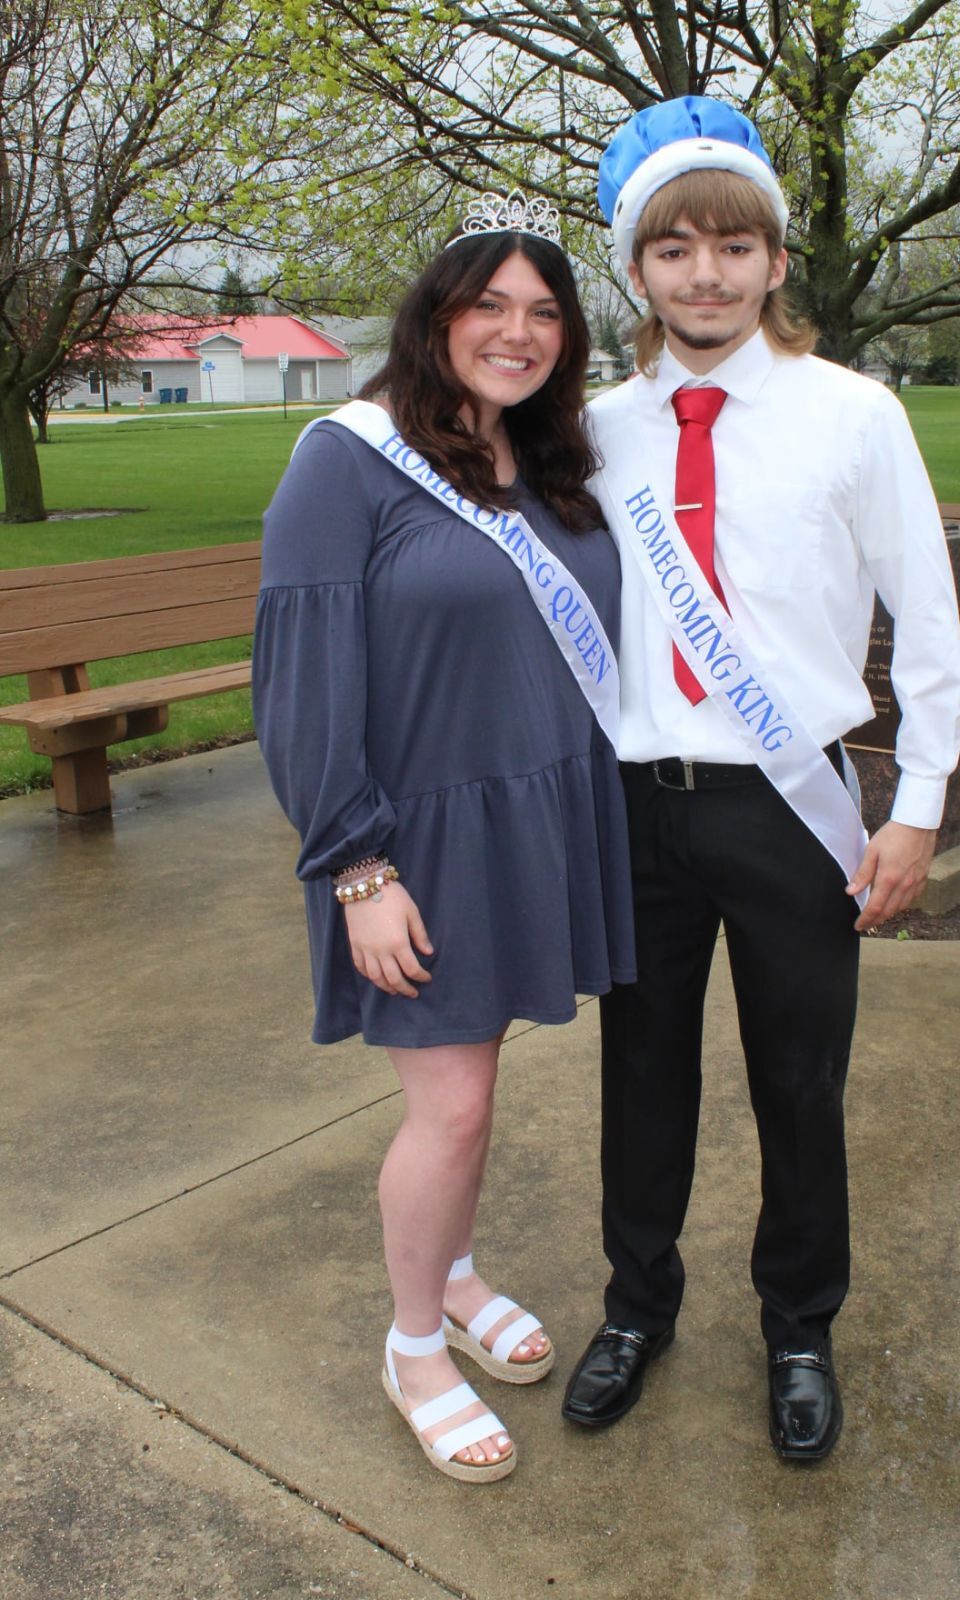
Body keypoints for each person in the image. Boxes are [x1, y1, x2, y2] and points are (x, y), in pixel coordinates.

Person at [560, 98, 960, 1461]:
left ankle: (799, 1326)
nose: (706, 275)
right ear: (635, 270)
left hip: (790, 809)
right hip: (638, 805)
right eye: (673, 249)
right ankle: (637, 1308)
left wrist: (916, 810)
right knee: (641, 1076)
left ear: (775, 261)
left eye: (733, 246)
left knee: (800, 1082)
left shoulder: (854, 415)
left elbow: (927, 623)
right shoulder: (591, 431)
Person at [253, 193, 635, 1484]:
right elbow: (302, 685)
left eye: (545, 313)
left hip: (527, 823)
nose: (517, 333)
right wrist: (356, 869)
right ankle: (415, 1347)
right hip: (411, 848)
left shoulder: (548, 460)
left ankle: (457, 1275)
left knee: (476, 1085)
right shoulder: (346, 460)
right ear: (437, 316)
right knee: (453, 1106)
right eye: (490, 306)